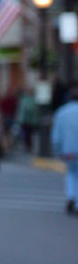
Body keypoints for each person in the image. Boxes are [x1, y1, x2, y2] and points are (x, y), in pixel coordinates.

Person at [51, 86, 78, 215]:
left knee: (71, 173)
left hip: (68, 149)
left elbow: (56, 134)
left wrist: (57, 149)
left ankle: (71, 196)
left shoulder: (62, 112)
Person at [15, 88, 40, 153]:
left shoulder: (31, 99)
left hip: (29, 120)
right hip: (25, 120)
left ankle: (29, 146)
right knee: (26, 134)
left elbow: (29, 109)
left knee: (28, 134)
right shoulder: (24, 99)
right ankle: (27, 146)